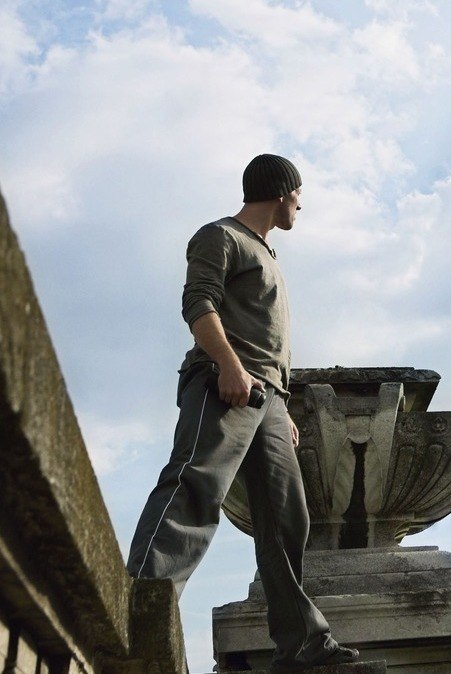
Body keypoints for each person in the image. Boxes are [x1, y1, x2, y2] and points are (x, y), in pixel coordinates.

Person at [125, 154, 359, 671]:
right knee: (194, 491)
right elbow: (198, 305)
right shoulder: (220, 236)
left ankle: (302, 646)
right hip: (224, 385)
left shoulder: (267, 252)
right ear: (281, 192)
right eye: (299, 193)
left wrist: (281, 407)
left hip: (268, 402)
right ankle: (131, 620)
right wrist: (228, 365)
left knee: (287, 521)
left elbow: (269, 344)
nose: (302, 203)